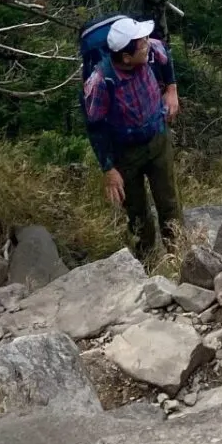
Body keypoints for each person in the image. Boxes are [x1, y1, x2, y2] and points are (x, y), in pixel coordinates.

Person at [82, 15, 182, 260]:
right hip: (125, 153)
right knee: (137, 213)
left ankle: (181, 256)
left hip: (157, 138)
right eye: (142, 43)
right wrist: (108, 169)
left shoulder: (148, 51)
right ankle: (149, 264)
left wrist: (171, 89)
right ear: (126, 57)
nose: (149, 43)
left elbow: (164, 51)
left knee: (168, 200)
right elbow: (94, 125)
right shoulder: (100, 82)